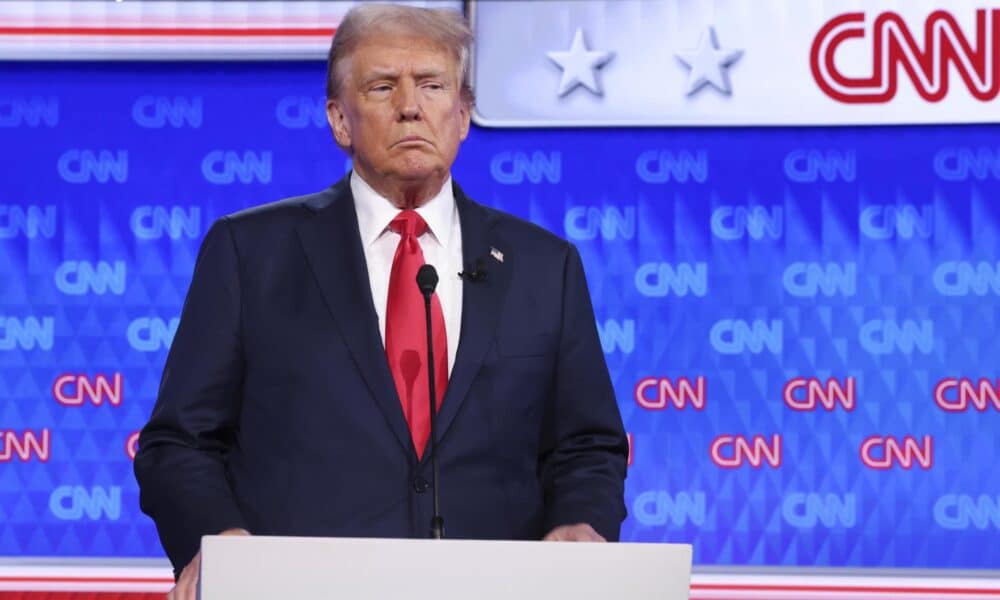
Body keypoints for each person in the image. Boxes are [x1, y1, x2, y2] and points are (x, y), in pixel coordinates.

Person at [134, 4, 627, 599]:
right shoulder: (250, 253)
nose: (410, 106)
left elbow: (587, 444)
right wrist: (218, 541)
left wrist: (580, 521)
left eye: (432, 85)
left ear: (464, 114)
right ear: (340, 120)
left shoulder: (546, 266)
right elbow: (178, 443)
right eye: (382, 86)